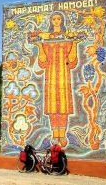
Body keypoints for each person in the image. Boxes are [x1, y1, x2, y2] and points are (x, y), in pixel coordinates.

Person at [31, 11, 80, 147]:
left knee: (63, 106)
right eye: (54, 19)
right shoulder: (47, 38)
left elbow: (71, 60)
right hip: (51, 77)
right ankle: (55, 134)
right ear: (51, 21)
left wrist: (75, 43)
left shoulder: (67, 37)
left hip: (64, 77)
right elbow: (43, 61)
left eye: (59, 18)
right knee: (52, 106)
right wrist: (40, 45)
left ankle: (62, 135)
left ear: (62, 21)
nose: (56, 21)